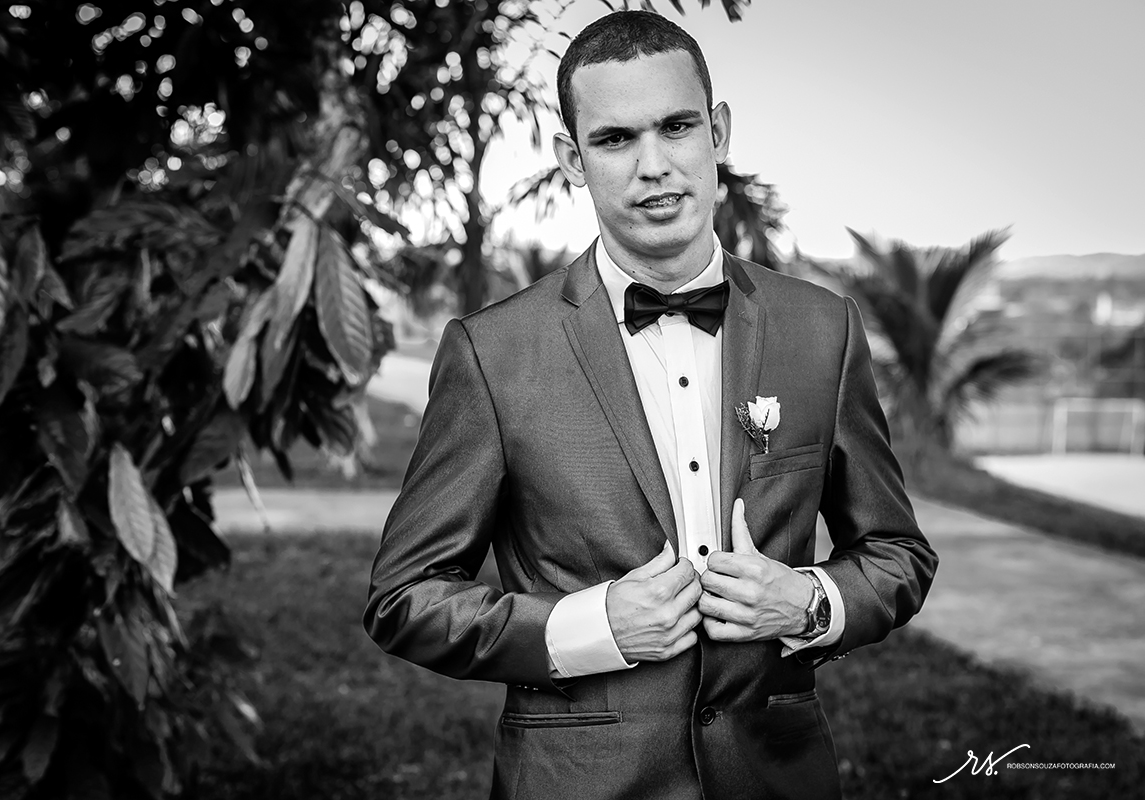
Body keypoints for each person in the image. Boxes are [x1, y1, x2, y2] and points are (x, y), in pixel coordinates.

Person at [364, 10, 937, 800]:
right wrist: (588, 628)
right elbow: (404, 597)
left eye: (676, 127)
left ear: (718, 131)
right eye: (615, 139)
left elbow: (897, 553)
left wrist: (808, 602)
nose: (654, 166)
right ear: (573, 158)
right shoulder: (492, 353)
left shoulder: (822, 329)